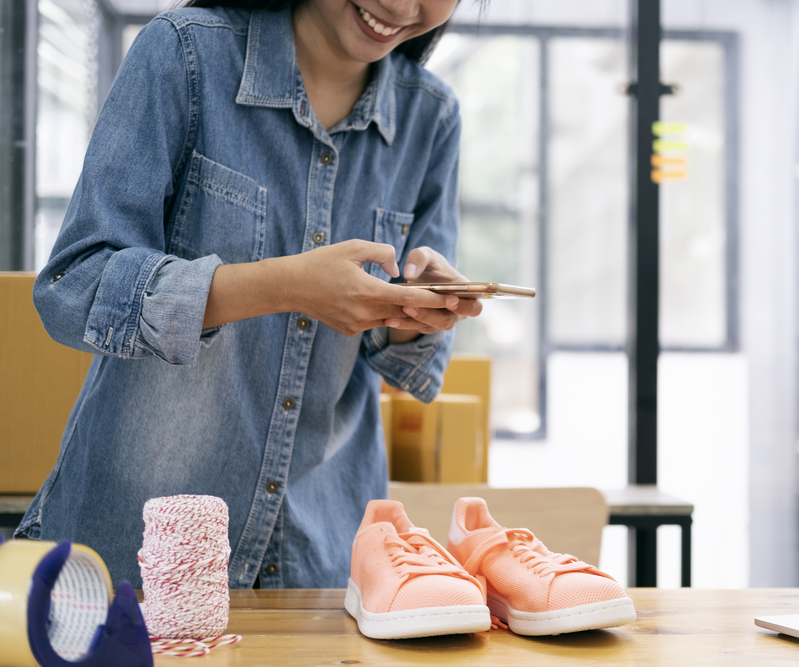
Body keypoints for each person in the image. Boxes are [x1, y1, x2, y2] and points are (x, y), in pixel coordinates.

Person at [16, 0, 481, 590]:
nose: (399, 4)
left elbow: (409, 365)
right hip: (135, 557)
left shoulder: (432, 116)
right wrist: (285, 286)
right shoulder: (185, 52)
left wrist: (416, 310)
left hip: (322, 566)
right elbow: (73, 284)